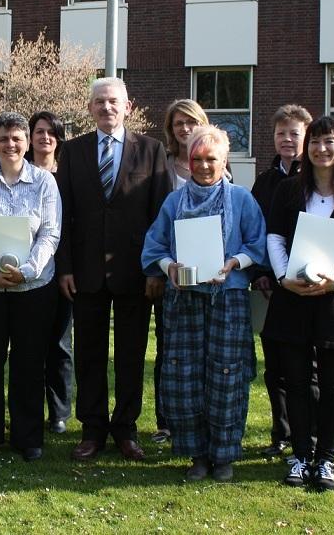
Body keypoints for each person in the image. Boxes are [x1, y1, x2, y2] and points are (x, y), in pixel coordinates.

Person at [56, 77, 172, 461]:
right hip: (85, 272)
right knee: (88, 354)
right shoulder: (72, 152)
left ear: (128, 107)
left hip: (135, 274)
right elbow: (64, 217)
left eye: (113, 102)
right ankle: (92, 430)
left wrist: (156, 270)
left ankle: (125, 429)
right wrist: (66, 268)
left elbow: (161, 217)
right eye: (99, 102)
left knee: (131, 354)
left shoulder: (152, 151)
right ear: (89, 108)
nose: (106, 108)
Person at [142, 125, 266, 481]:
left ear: (224, 159)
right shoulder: (174, 201)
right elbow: (154, 248)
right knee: (185, 376)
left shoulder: (241, 199)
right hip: (183, 301)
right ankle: (196, 453)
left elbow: (256, 245)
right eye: (197, 158)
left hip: (227, 299)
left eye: (211, 158)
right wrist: (170, 267)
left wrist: (234, 263)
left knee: (227, 376)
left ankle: (224, 454)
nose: (204, 165)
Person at [265, 116, 334, 491]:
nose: (321, 148)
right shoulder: (288, 191)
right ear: (307, 148)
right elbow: (275, 238)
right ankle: (300, 457)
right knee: (295, 383)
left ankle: (326, 460)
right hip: (293, 300)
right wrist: (285, 279)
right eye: (315, 141)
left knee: (333, 386)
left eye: (329, 141)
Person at [0, 112, 61, 462]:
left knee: (29, 364)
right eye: (3, 138)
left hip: (32, 289)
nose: (10, 144)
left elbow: (50, 233)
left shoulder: (45, 182)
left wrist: (29, 271)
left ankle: (27, 437)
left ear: (27, 143)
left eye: (17, 138)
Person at [250, 104, 316, 458]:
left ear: (306, 137)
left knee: (309, 368)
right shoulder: (265, 180)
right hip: (271, 286)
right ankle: (282, 433)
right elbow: (257, 230)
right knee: (274, 366)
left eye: (294, 133)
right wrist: (260, 273)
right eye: (280, 133)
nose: (287, 140)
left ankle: (312, 437)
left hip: (309, 285)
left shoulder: (319, 177)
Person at [148, 99, 211, 445]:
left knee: (204, 349)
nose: (184, 129)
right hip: (172, 273)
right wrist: (157, 271)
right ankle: (166, 421)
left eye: (190, 122)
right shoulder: (163, 168)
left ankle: (201, 416)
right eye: (177, 124)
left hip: (211, 275)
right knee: (168, 347)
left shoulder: (218, 164)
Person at [26, 110, 73, 434]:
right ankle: (27, 407)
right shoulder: (20, 172)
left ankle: (58, 411)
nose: (44, 137)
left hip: (63, 271)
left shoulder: (69, 174)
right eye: (39, 131)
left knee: (60, 343)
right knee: (31, 344)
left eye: (51, 132)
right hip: (26, 271)